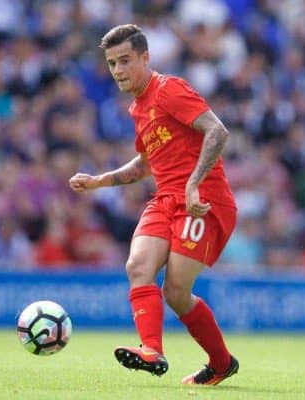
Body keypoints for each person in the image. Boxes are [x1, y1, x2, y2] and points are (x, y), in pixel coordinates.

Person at [69, 24, 238, 385]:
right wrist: (100, 180)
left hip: (202, 200)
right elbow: (146, 164)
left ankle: (222, 363)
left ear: (145, 58)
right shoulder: (138, 108)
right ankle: (151, 350)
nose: (118, 71)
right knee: (137, 265)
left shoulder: (169, 90)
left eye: (125, 61)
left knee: (176, 292)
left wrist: (193, 184)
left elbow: (217, 131)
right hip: (165, 199)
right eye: (112, 63)